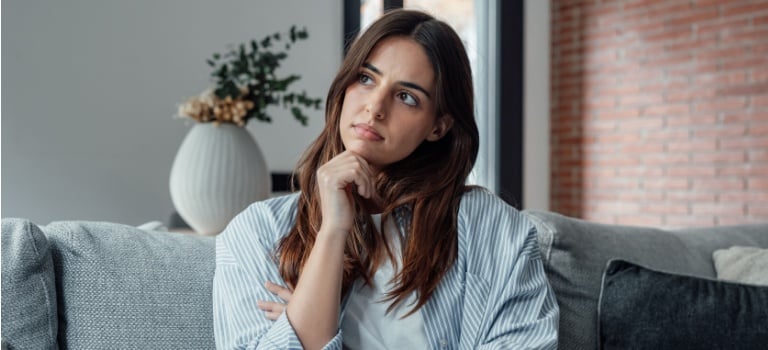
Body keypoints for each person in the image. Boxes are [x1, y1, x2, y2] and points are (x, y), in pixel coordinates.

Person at [213, 9, 558, 349]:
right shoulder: (258, 233)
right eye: (366, 78)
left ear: (438, 127)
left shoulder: (491, 228)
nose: (375, 107)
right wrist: (333, 231)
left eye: (406, 97)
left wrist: (302, 322)